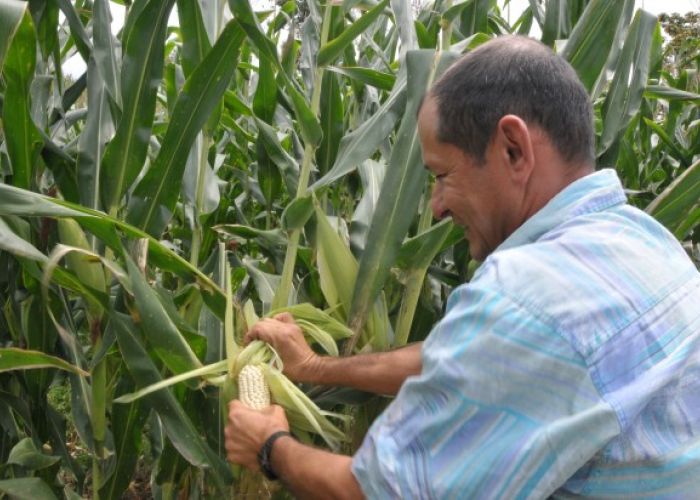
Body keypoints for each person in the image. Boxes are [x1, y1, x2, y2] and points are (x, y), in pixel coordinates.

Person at [225, 35, 700, 498]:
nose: (435, 207)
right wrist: (314, 366)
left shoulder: (525, 296)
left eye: (442, 176)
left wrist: (271, 448)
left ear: (513, 148)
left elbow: (384, 491)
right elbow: (470, 358)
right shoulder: (642, 238)